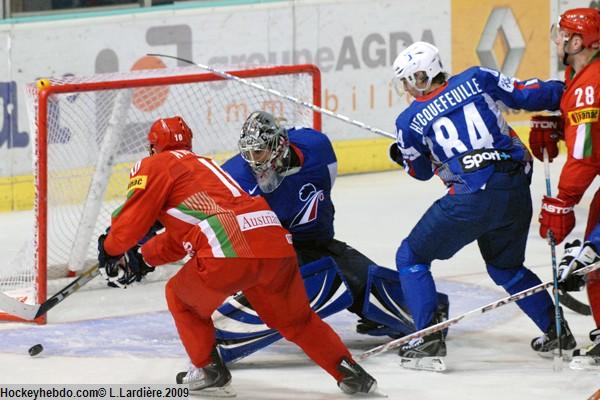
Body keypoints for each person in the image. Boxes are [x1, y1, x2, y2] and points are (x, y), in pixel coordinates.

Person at [96, 116, 377, 395]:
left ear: (152, 147)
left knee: (181, 299)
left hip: (229, 247)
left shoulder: (154, 165)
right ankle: (349, 372)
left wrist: (110, 251)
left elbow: (130, 224)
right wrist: (143, 258)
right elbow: (186, 234)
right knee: (297, 321)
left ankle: (208, 370)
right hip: (273, 240)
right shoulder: (206, 166)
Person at [389, 41, 574, 371]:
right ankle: (556, 331)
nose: (407, 88)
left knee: (411, 257)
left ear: (423, 76)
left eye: (408, 80)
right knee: (506, 268)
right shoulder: (476, 77)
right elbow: (527, 94)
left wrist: (400, 156)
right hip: (514, 189)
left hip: (470, 200)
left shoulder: (409, 121)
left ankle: (428, 340)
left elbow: (420, 171)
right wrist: (573, 89)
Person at [216, 110, 448, 363]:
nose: (253, 160)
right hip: (271, 253)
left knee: (361, 279)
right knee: (308, 283)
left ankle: (429, 313)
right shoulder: (236, 177)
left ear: (279, 146)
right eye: (248, 153)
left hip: (317, 243)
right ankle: (224, 338)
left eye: (259, 152)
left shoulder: (317, 148)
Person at [528, 7, 600, 370]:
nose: (558, 40)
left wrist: (562, 201)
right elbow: (588, 133)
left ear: (578, 42)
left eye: (564, 34)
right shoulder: (578, 74)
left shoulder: (589, 84)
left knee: (594, 255)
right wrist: (560, 126)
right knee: (594, 260)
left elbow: (586, 155)